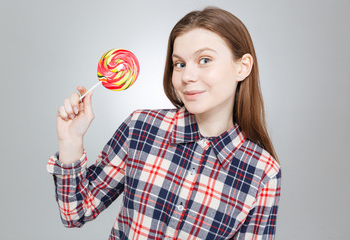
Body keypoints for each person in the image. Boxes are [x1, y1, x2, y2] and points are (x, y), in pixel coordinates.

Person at [48, 6, 281, 239]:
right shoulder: (140, 128)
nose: (187, 76)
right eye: (179, 64)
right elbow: (75, 213)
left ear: (243, 66)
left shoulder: (263, 172)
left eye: (205, 60)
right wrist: (70, 142)